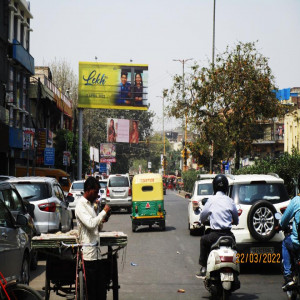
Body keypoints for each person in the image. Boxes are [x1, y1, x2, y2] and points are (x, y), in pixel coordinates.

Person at [75, 176, 111, 299]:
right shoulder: (80, 206)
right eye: (95, 192)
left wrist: (102, 220)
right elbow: (90, 224)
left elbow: (97, 227)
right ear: (88, 190)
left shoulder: (90, 205)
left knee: (101, 290)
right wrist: (103, 212)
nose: (97, 195)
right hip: (88, 255)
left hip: (96, 254)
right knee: (92, 292)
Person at [196, 174, 239, 278]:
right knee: (235, 248)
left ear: (214, 187)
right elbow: (236, 219)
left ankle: (204, 267)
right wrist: (233, 221)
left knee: (203, 240)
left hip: (215, 235)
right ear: (226, 187)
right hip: (229, 235)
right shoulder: (230, 201)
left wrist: (201, 221)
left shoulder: (211, 200)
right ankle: (236, 271)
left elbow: (202, 216)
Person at [277, 195, 300, 291]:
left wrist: (280, 226)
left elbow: (283, 221)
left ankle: (288, 276)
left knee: (285, 243)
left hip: (296, 243)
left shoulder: (296, 201)